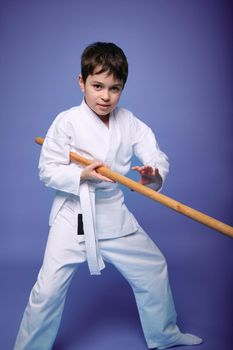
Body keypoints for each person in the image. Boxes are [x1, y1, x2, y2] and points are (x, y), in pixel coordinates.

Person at [14, 42, 202, 349]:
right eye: (97, 86)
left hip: (113, 214)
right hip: (73, 217)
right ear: (81, 82)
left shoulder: (129, 122)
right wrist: (81, 175)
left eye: (114, 88)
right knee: (47, 291)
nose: (105, 96)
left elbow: (155, 154)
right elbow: (47, 170)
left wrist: (153, 174)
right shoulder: (66, 121)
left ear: (123, 88)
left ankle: (165, 334)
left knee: (153, 268)